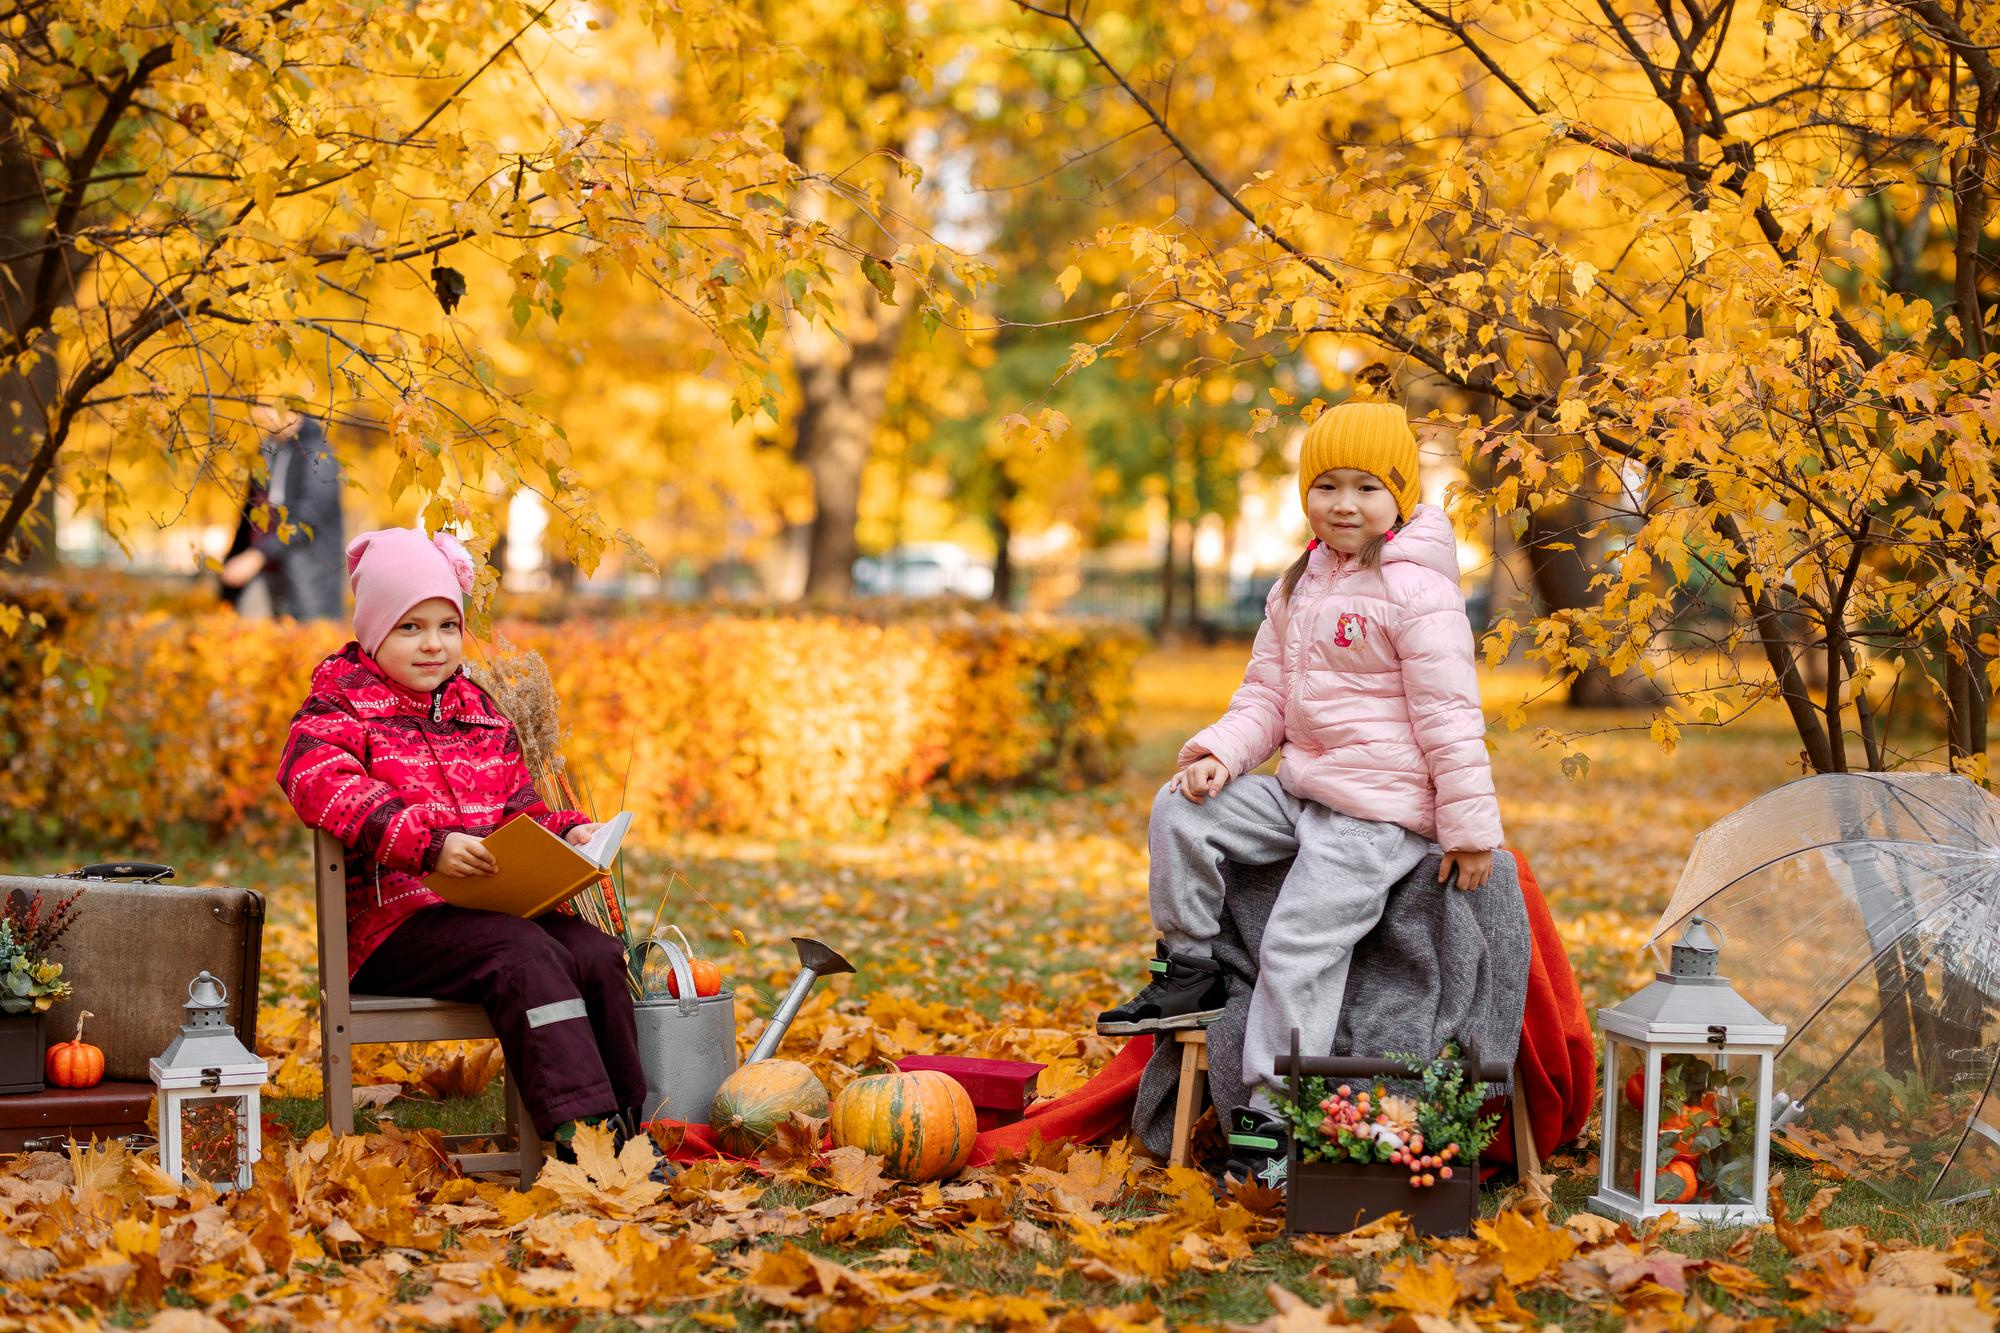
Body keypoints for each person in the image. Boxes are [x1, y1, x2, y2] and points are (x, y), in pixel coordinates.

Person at [1095, 366, 1503, 1187]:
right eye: (1325, 485)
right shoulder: (1301, 581)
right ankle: (1190, 966)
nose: (1343, 503)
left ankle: (1272, 1122)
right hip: (1302, 789)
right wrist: (1220, 754)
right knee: (1182, 811)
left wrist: (1467, 828)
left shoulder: (1415, 590)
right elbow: (1266, 694)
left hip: (1375, 816)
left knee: (1294, 947)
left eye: (1365, 487)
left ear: (1400, 497)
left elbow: (1452, 715)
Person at [276, 526, 647, 1153]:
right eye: (410, 627)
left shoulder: (475, 707)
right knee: (524, 955)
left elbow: (517, 805)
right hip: (392, 928)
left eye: (447, 626)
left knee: (595, 952)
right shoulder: (341, 706)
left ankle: (633, 1129)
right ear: (373, 632)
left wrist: (569, 832)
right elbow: (318, 781)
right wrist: (427, 844)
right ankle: (584, 1139)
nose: (433, 645)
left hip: (487, 910)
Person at [219, 405, 346, 620]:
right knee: (250, 635)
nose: (258, 414)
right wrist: (237, 556)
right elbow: (252, 510)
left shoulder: (317, 453)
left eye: (266, 406)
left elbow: (309, 518)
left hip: (307, 575)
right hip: (265, 569)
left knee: (305, 646)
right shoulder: (266, 449)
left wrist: (258, 555)